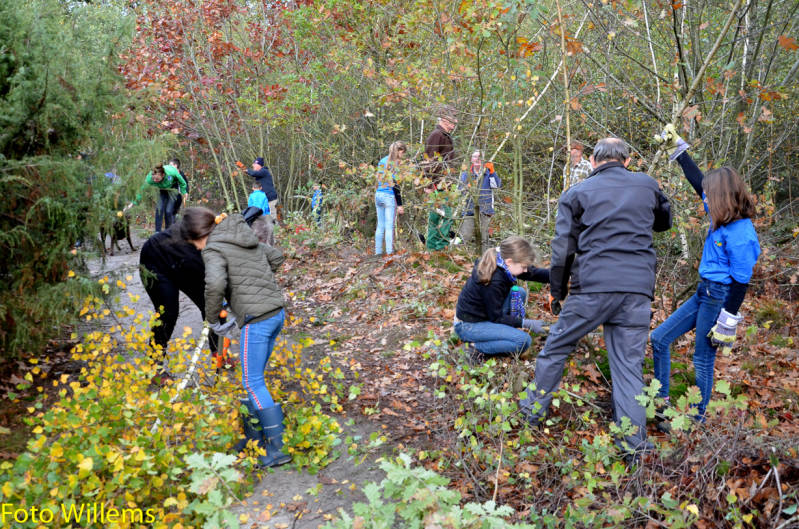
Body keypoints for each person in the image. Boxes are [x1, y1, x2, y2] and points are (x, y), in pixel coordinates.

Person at [519, 137, 672, 458]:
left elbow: (562, 251)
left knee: (556, 348)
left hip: (592, 288)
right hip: (636, 292)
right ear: (627, 161)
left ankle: (529, 415)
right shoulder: (647, 185)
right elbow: (664, 222)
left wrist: (557, 292)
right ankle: (634, 447)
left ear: (592, 161)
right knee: (628, 368)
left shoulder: (575, 194)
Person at [650, 124, 760, 423]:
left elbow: (741, 282)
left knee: (702, 359)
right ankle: (659, 403)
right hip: (704, 292)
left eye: (710, 196)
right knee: (659, 338)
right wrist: (678, 149)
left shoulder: (741, 234)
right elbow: (698, 182)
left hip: (720, 297)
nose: (705, 199)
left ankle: (695, 422)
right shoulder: (721, 213)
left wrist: (727, 320)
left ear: (723, 197)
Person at [199, 208, 291, 468]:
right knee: (254, 379)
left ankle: (277, 448)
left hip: (257, 320)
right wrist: (254, 279)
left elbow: (215, 285)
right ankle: (256, 438)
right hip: (275, 313)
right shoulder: (246, 240)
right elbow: (276, 257)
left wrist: (214, 319)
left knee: (252, 382)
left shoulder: (216, 247)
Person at [138, 210, 220, 381]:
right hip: (155, 262)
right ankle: (154, 368)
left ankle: (219, 355)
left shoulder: (215, 237)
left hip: (183, 263)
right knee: (168, 313)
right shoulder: (194, 253)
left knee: (212, 306)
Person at [454, 236, 550, 365]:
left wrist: (561, 276)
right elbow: (496, 317)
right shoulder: (494, 280)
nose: (526, 270)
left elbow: (533, 273)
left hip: (485, 314)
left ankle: (504, 332)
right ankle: (473, 347)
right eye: (523, 266)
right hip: (469, 325)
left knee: (519, 292)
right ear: (510, 261)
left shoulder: (502, 261)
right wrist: (526, 323)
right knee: (523, 341)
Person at [459, 150, 501, 251]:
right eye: (475, 157)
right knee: (465, 236)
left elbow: (496, 186)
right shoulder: (466, 174)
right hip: (469, 210)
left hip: (484, 210)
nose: (477, 159)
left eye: (480, 157)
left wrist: (492, 172)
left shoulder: (488, 173)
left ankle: (484, 261)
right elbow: (459, 191)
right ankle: (463, 258)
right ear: (471, 159)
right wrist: (466, 187)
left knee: (483, 239)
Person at [129, 164, 188, 232]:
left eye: (156, 179)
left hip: (172, 188)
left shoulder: (171, 173)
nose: (154, 180)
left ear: (163, 175)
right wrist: (133, 203)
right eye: (153, 178)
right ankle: (157, 232)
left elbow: (182, 182)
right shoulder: (150, 178)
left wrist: (184, 192)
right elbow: (142, 191)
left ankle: (168, 232)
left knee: (168, 211)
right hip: (161, 189)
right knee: (159, 209)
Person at [375, 141, 407, 255]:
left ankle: (378, 252)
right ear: (399, 151)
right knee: (389, 226)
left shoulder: (382, 161)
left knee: (380, 225)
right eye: (402, 153)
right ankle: (389, 253)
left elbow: (378, 179)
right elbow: (395, 186)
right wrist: (400, 205)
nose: (403, 156)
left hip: (378, 194)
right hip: (389, 196)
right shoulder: (395, 165)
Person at [423, 105, 458, 186]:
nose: (456, 121)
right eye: (453, 118)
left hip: (444, 183)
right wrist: (429, 185)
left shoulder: (446, 136)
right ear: (444, 119)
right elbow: (429, 161)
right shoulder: (437, 135)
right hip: (435, 185)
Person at [425, 183, 456, 251]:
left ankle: (439, 248)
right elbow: (427, 175)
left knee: (445, 220)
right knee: (442, 219)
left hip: (444, 192)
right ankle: (434, 248)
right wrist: (428, 187)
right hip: (437, 193)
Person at [247, 157, 278, 222]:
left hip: (270, 199)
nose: (253, 165)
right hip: (265, 199)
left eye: (254, 164)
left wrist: (246, 170)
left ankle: (276, 230)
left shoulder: (264, 171)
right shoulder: (260, 174)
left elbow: (253, 173)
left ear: (259, 165)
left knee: (272, 218)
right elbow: (254, 174)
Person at [247, 181, 275, 246]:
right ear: (261, 188)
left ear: (253, 188)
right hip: (263, 214)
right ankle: (269, 245)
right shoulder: (263, 195)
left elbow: (250, 206)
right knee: (269, 227)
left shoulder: (251, 196)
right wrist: (267, 214)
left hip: (254, 214)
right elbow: (266, 206)